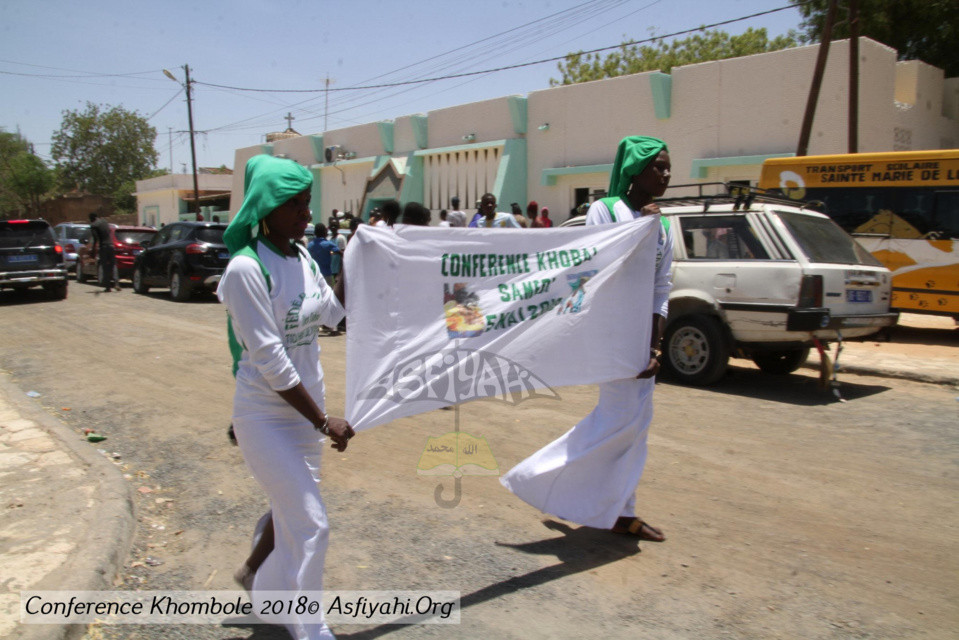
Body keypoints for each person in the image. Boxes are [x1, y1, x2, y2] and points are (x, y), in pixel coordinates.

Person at [501, 136, 673, 541]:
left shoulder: (664, 224)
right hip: (613, 336)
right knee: (618, 420)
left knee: (637, 425)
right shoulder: (605, 210)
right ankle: (540, 480)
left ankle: (619, 509)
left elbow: (661, 287)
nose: (666, 174)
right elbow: (602, 268)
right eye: (658, 166)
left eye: (668, 167)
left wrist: (654, 346)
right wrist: (641, 225)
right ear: (635, 170)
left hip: (642, 341)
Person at [218, 154, 354, 640]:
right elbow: (272, 360)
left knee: (295, 516)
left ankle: (266, 592)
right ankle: (310, 628)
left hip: (305, 416)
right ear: (264, 207)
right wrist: (323, 421)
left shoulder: (302, 258)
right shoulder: (246, 269)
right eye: (292, 204)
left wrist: (356, 261)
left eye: (307, 202)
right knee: (312, 523)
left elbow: (335, 316)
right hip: (266, 418)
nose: (305, 213)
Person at [89, 212, 120, 292]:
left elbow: (95, 238)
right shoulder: (104, 222)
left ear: (91, 219)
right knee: (113, 264)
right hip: (111, 245)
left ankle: (108, 286)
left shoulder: (93, 225)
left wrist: (93, 250)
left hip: (103, 247)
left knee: (104, 266)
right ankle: (116, 283)